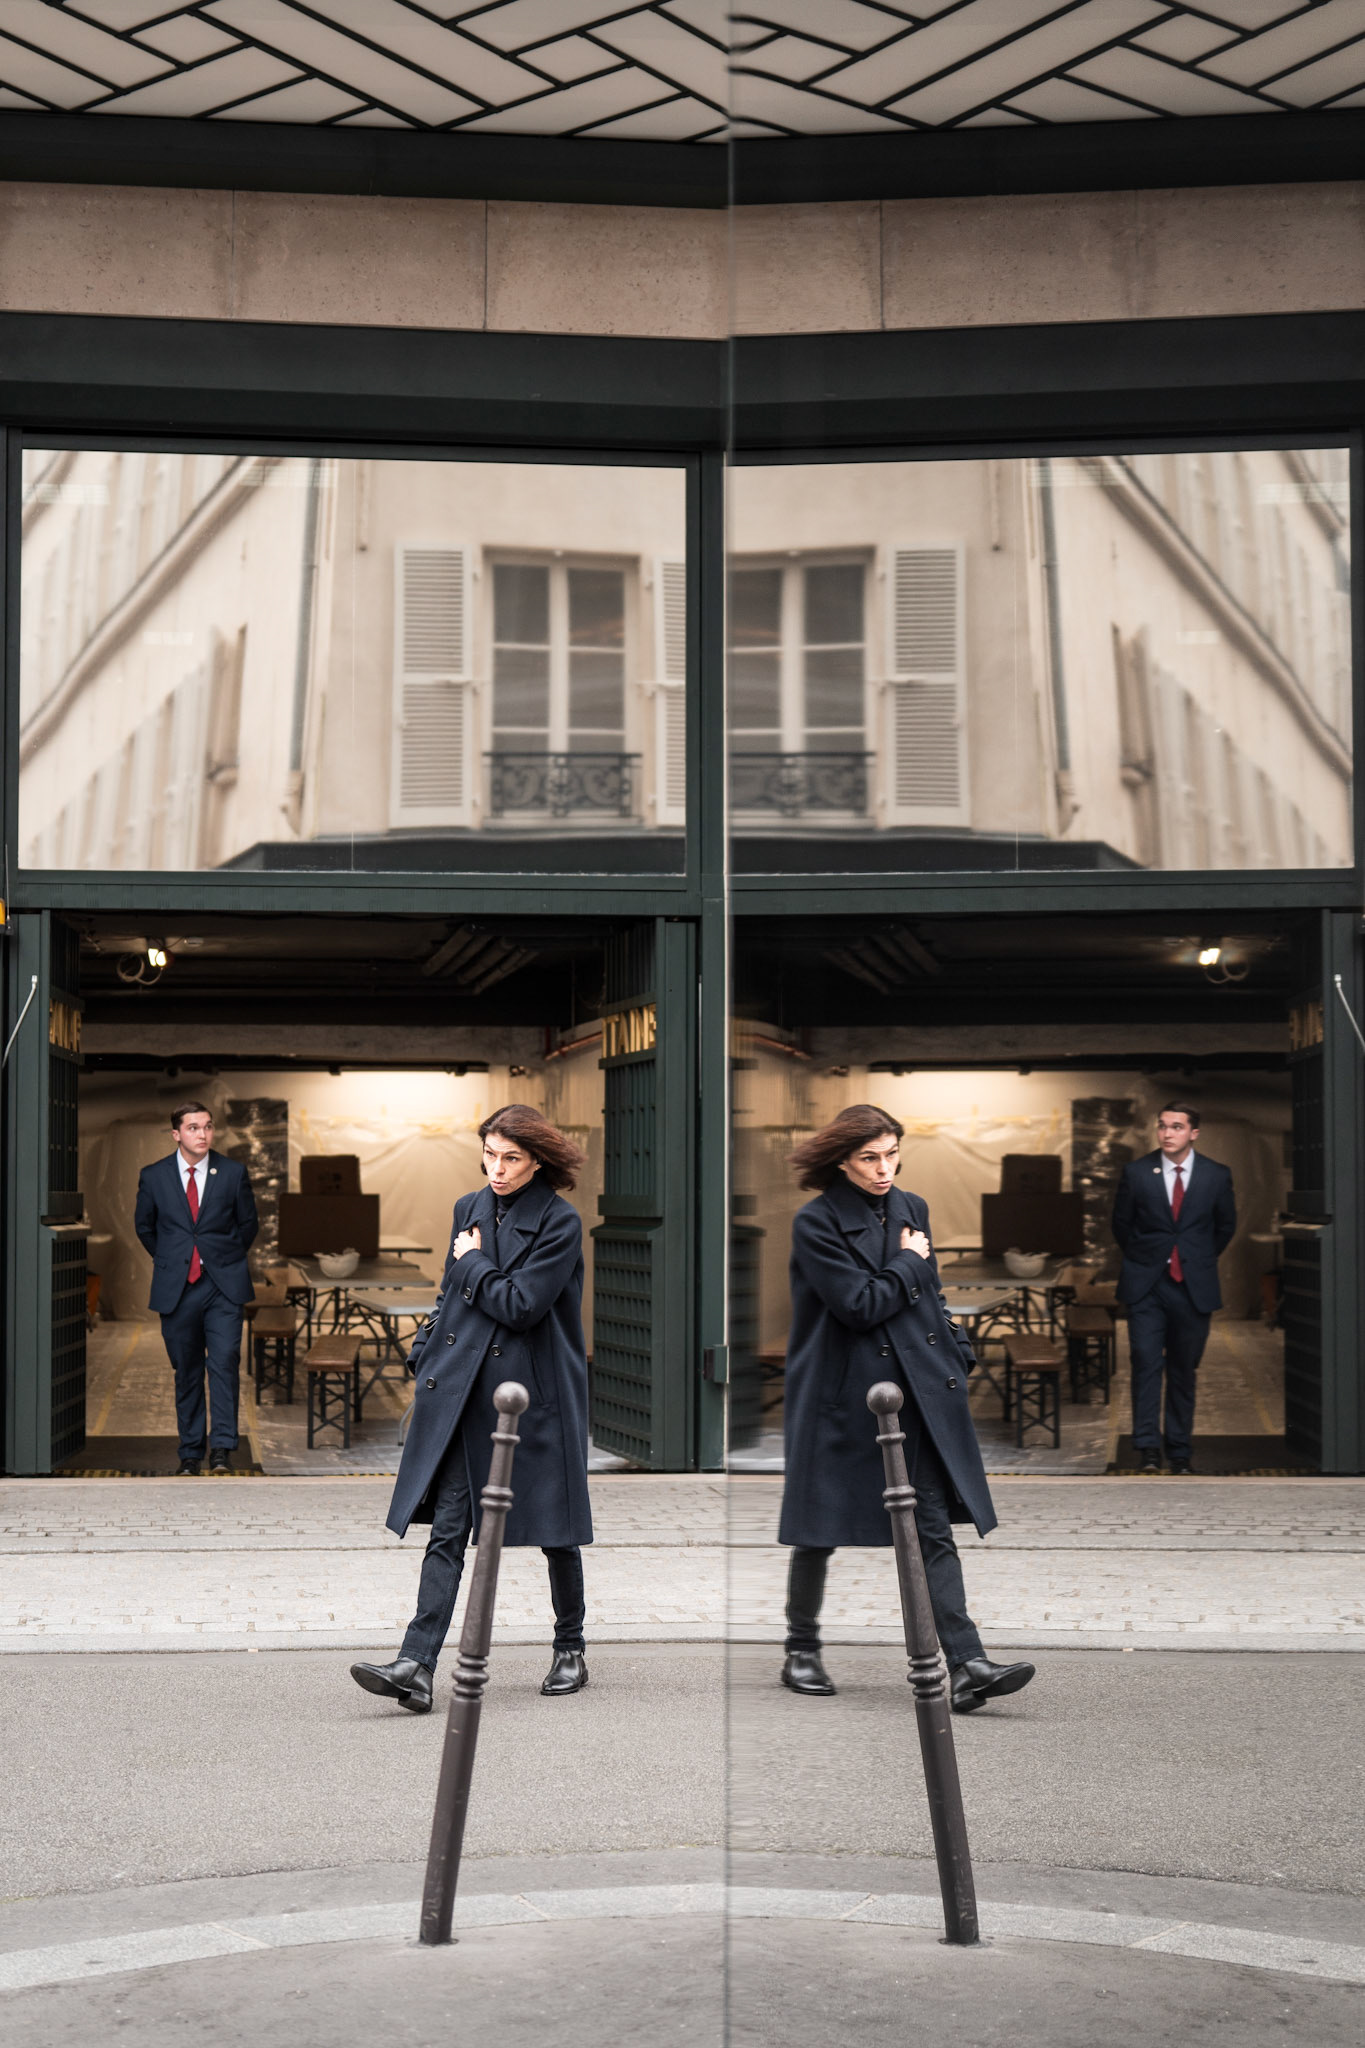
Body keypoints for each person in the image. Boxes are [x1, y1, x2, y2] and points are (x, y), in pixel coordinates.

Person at [778, 1103, 1034, 1714]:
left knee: (931, 1523)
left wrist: (957, 1347)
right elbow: (859, 1305)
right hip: (841, 1396)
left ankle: (967, 1663)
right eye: (869, 1158)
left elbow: (932, 1293)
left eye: (892, 1153)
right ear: (842, 1160)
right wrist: (910, 1262)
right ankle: (800, 1648)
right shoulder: (814, 1223)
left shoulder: (910, 1207)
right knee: (820, 1527)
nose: (883, 1168)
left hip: (916, 1389)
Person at [351, 1104, 594, 1715]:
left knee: (554, 1531)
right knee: (450, 1528)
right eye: (490, 1154)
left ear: (538, 1160)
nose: (498, 1169)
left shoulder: (561, 1224)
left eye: (511, 1158)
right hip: (464, 1390)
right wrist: (426, 1346)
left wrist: (471, 1261)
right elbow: (448, 1291)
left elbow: (521, 1306)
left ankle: (571, 1648)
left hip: (533, 1398)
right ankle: (417, 1664)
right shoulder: (470, 1207)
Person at [1112, 1100, 1236, 1475]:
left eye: (1177, 1127)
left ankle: (1180, 1451)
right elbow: (1121, 1225)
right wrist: (1150, 1258)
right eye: (1163, 1126)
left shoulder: (1216, 1175)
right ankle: (1148, 1449)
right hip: (1147, 1287)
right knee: (1146, 1365)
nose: (1167, 1133)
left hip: (1192, 1288)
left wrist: (1194, 1259)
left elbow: (1225, 1227)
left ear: (1194, 1132)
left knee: (1184, 1371)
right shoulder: (1137, 1172)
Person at [134, 1101, 258, 1476]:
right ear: (176, 1134)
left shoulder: (233, 1172)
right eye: (192, 1128)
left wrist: (218, 1259)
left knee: (223, 1364)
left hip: (223, 1287)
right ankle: (190, 1452)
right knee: (186, 1371)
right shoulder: (154, 1176)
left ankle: (221, 1450)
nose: (201, 1134)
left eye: (207, 1127)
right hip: (178, 1289)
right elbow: (145, 1228)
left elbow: (248, 1225)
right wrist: (176, 1260)